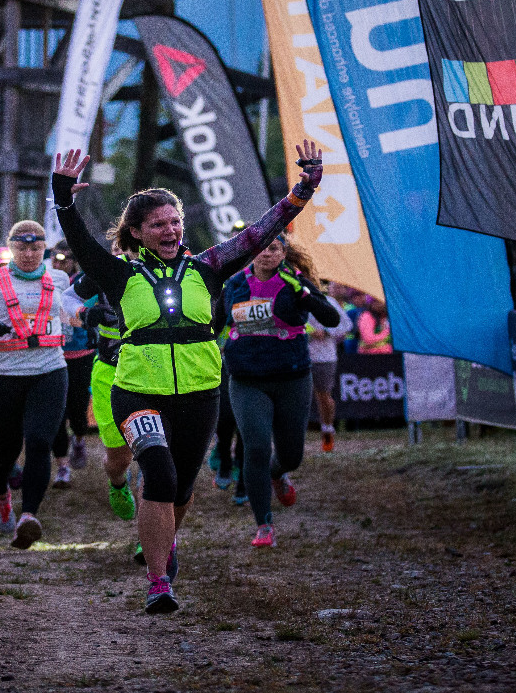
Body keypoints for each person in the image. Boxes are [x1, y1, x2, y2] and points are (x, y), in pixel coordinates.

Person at [51, 140, 323, 613]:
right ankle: (159, 582)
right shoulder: (119, 275)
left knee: (179, 488)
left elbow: (259, 233)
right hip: (137, 391)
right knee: (157, 471)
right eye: (158, 224)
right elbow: (81, 242)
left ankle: (165, 540)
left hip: (200, 393)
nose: (171, 229)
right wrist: (63, 199)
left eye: (175, 221)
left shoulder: (210, 267)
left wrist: (302, 191)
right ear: (136, 233)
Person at [0, 220, 73, 549]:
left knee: (38, 442)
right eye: (22, 247)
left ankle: (29, 515)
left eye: (36, 248)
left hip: (50, 369)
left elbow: (69, 311)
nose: (30, 254)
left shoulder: (57, 278)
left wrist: (86, 316)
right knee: (5, 448)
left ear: (44, 248)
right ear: (11, 247)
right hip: (4, 374)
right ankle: (1, 494)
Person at [221, 234, 339, 548]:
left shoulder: (295, 282)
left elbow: (333, 319)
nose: (266, 254)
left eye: (273, 248)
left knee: (291, 455)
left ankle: (278, 473)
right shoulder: (234, 285)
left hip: (292, 378)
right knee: (256, 446)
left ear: (283, 253)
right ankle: (263, 525)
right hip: (247, 379)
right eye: (260, 248)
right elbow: (210, 324)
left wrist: (305, 295)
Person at [69, 246, 136, 525]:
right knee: (119, 458)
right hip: (109, 370)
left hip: (155, 374)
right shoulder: (103, 270)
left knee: (157, 459)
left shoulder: (171, 266)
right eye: (118, 248)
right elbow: (68, 296)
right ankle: (118, 482)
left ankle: (153, 535)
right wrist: (83, 312)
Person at [50, 240, 93, 486]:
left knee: (77, 412)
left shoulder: (85, 282)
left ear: (73, 261)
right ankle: (62, 468)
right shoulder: (46, 281)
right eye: (55, 259)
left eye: (64, 259)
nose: (59, 263)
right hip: (53, 355)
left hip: (81, 354)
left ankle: (78, 438)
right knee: (57, 413)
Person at [306, 279, 350, 454]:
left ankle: (327, 429)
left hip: (325, 357)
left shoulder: (328, 301)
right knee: (298, 398)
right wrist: (308, 331)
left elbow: (346, 325)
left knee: (323, 396)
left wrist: (325, 332)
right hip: (300, 356)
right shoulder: (292, 298)